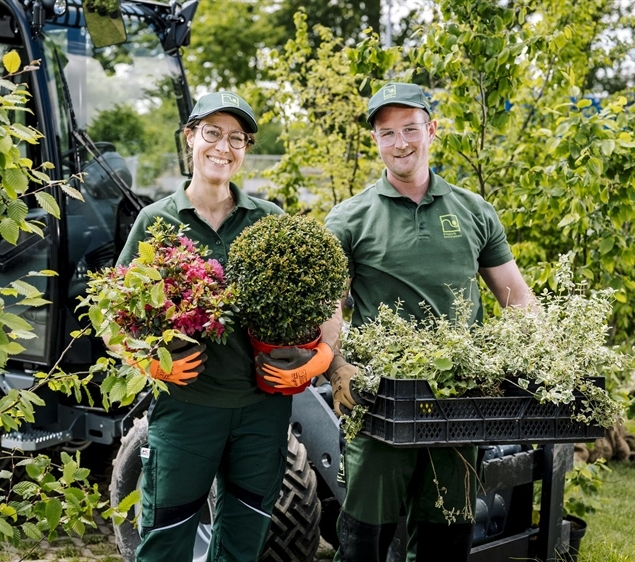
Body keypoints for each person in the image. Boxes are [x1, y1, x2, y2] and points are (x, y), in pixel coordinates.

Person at [322, 82, 535, 562]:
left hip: (459, 402)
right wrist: (336, 368)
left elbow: (516, 297)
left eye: (410, 129)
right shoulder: (349, 218)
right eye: (387, 133)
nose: (400, 143)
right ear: (376, 140)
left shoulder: (473, 211)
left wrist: (550, 360)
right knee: (363, 541)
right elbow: (330, 309)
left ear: (431, 130)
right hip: (380, 402)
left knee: (447, 539)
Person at [115, 92, 301, 562]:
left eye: (237, 138)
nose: (223, 147)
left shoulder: (270, 220)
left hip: (262, 410)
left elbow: (317, 300)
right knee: (166, 542)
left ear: (246, 148)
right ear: (190, 138)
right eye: (212, 133)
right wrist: (146, 361)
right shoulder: (156, 221)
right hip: (187, 410)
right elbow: (112, 317)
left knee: (243, 544)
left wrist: (319, 357)